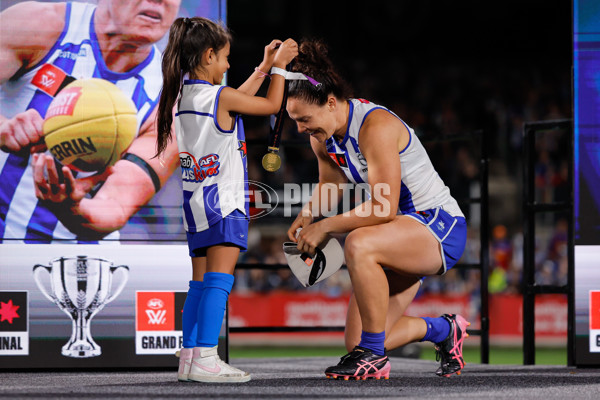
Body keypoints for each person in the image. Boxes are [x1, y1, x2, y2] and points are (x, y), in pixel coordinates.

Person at [285, 40, 469, 380]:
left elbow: (383, 206)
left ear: (330, 102)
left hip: (438, 227)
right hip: (400, 231)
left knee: (358, 242)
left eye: (304, 119)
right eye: (295, 120)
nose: (299, 128)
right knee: (359, 338)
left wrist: (325, 226)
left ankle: (373, 358)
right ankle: (445, 331)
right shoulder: (322, 136)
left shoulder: (375, 126)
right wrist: (308, 215)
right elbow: (332, 185)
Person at [155, 17, 297, 383]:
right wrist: (280, 68)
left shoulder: (187, 95)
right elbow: (268, 105)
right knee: (219, 280)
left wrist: (264, 67)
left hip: (196, 200)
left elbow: (238, 99)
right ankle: (205, 356)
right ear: (208, 56)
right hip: (224, 198)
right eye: (225, 58)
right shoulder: (219, 96)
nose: (228, 65)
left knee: (199, 282)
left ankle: (190, 356)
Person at [0, 0, 181, 242]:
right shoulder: (38, 24)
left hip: (81, 265)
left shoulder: (169, 102)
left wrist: (72, 207)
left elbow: (116, 205)